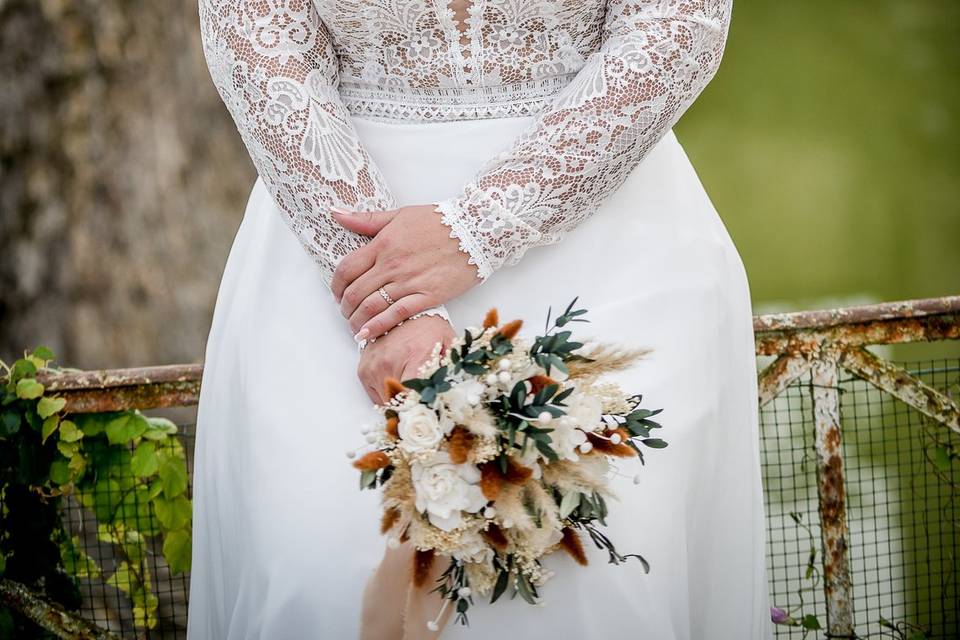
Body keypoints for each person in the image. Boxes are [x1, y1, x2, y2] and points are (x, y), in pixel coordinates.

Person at [188, 0, 772, 637]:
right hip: (338, 235)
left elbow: (676, 28)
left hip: (615, 237)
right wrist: (388, 306)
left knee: (610, 584)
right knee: (316, 568)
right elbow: (256, 44)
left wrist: (476, 229)